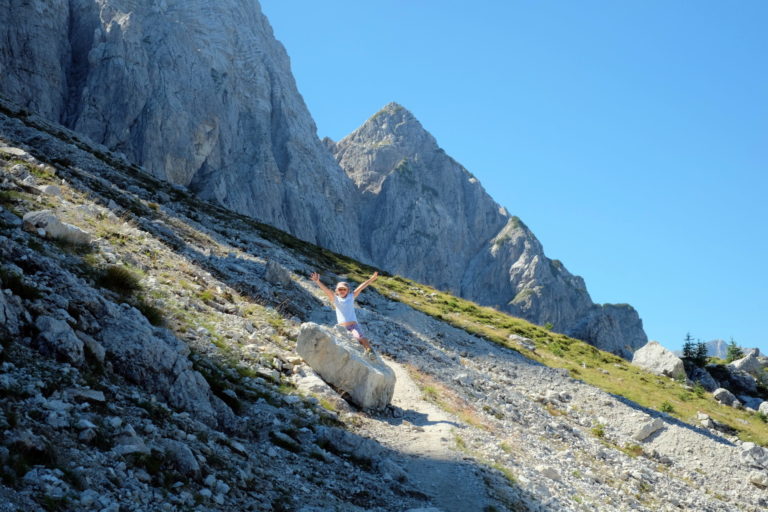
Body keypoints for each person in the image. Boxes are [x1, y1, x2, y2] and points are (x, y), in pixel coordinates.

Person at [311, 271, 379, 353]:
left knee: (359, 337)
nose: (342, 291)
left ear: (348, 290)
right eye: (340, 289)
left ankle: (370, 351)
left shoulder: (351, 297)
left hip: (353, 325)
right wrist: (317, 281)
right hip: (342, 328)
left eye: (344, 289)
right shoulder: (335, 299)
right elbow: (327, 291)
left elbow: (361, 287)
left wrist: (371, 279)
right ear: (336, 291)